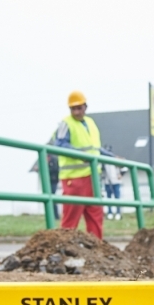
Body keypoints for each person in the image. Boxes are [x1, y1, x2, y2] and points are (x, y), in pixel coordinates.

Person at [54, 91, 113, 239]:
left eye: (79, 108)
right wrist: (81, 157)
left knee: (95, 214)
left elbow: (95, 149)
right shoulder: (66, 123)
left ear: (85, 107)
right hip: (75, 179)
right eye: (73, 109)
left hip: (92, 178)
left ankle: (97, 247)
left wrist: (113, 157)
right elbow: (60, 144)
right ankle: (64, 247)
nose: (76, 112)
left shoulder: (91, 123)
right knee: (70, 218)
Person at [102, 146, 122, 220]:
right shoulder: (103, 162)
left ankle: (118, 213)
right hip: (107, 182)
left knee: (117, 199)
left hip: (116, 182)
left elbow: (124, 168)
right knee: (109, 199)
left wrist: (121, 174)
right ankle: (109, 213)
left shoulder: (115, 160)